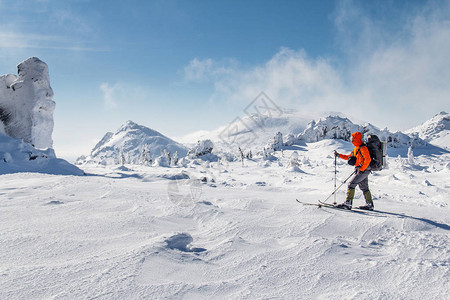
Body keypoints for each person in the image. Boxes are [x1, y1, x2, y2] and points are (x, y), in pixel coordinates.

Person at [334, 132, 374, 210]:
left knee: (351, 184)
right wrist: (339, 155)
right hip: (363, 170)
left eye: (352, 138)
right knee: (364, 187)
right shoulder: (356, 148)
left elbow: (368, 159)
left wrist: (362, 168)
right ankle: (369, 205)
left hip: (363, 170)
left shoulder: (363, 148)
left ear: (356, 139)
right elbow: (349, 157)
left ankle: (348, 204)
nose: (351, 139)